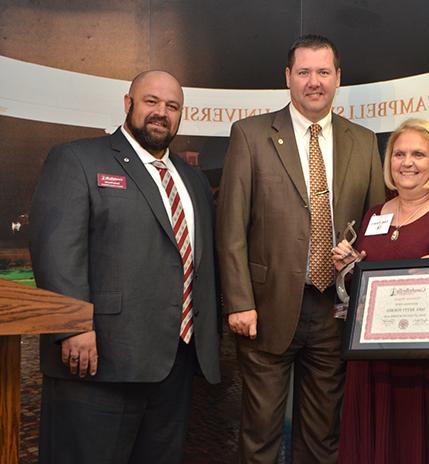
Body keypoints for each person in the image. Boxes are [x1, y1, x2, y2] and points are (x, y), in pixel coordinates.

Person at [30, 70, 221, 464]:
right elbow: (57, 249)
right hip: (99, 362)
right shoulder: (78, 159)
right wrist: (74, 325)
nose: (161, 113)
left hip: (175, 365)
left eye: (172, 106)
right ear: (127, 103)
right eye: (151, 101)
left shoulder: (193, 181)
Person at [216, 34, 385, 463]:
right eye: (305, 72)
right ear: (288, 77)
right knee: (260, 438)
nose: (315, 82)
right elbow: (231, 224)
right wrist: (238, 301)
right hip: (265, 310)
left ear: (338, 78)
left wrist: (359, 260)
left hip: (336, 312)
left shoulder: (364, 142)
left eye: (324, 72)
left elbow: (375, 226)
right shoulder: (250, 135)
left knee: (323, 438)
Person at [331, 118, 429, 464]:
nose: (407, 162)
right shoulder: (372, 216)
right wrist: (349, 267)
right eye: (399, 154)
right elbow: (364, 290)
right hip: (371, 368)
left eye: (419, 154)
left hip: (423, 374)